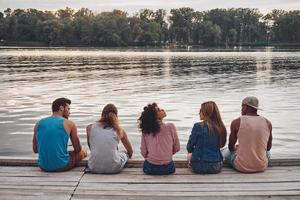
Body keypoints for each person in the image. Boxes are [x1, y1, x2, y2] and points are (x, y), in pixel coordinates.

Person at [33, 97, 87, 172]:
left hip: (43, 166)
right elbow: (78, 149)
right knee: (83, 152)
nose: (69, 112)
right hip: (62, 166)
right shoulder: (69, 123)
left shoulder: (38, 124)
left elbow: (35, 150)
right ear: (61, 108)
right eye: (68, 109)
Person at [224, 96, 273, 173]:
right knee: (269, 153)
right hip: (261, 166)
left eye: (242, 106)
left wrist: (238, 148)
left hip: (241, 166)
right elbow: (268, 147)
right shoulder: (268, 122)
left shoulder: (236, 122)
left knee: (226, 151)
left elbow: (230, 148)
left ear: (246, 107)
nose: (241, 109)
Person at [86, 104, 133, 174]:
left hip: (93, 167)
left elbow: (91, 147)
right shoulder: (119, 130)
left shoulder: (90, 127)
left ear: (102, 114)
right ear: (116, 116)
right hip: (114, 168)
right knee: (124, 153)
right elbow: (130, 152)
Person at [139, 103, 180, 175]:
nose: (162, 110)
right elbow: (177, 148)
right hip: (168, 168)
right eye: (159, 110)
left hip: (150, 168)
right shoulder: (170, 127)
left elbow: (144, 152)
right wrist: (166, 155)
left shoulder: (146, 130)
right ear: (155, 116)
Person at [186, 101, 227, 174]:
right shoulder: (221, 127)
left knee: (189, 155)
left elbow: (189, 147)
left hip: (199, 167)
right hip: (216, 166)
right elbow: (222, 145)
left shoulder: (198, 126)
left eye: (200, 110)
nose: (199, 113)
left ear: (206, 112)